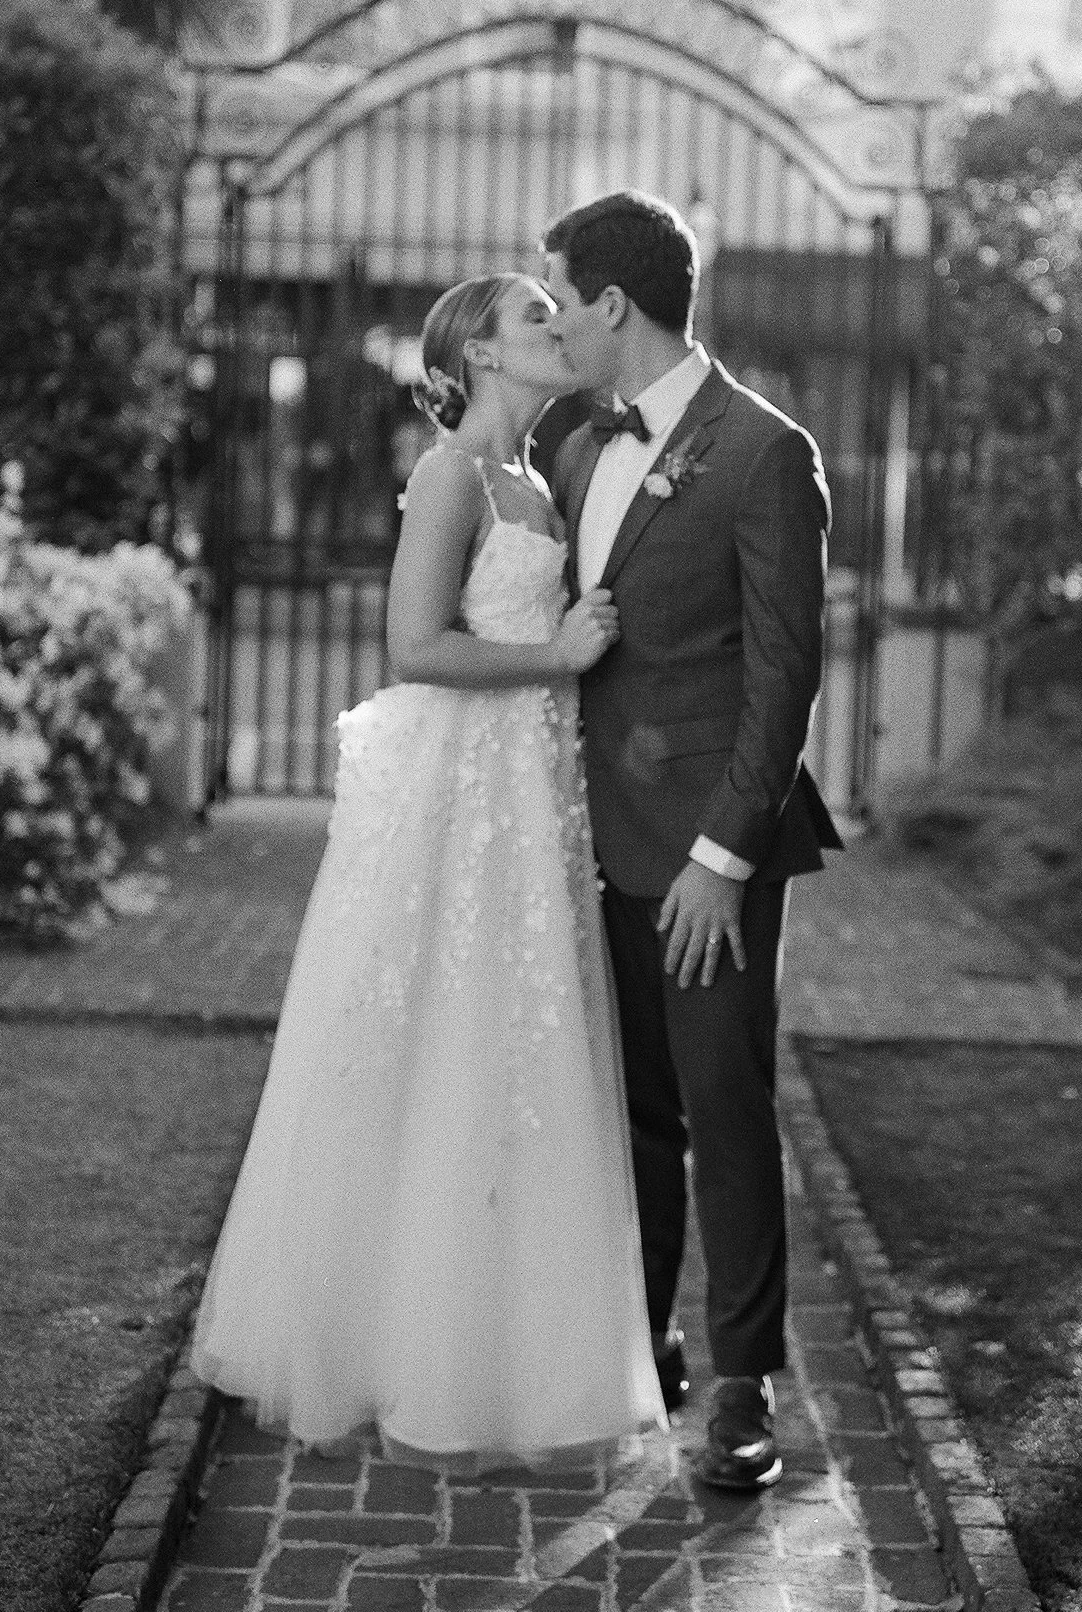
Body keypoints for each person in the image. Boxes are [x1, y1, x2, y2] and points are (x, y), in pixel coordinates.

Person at [190, 272, 666, 1466]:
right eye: (535, 323)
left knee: (514, 1050)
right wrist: (556, 655)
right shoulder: (453, 474)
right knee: (436, 1042)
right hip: (468, 791)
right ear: (481, 356)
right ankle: (391, 1342)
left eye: (559, 318)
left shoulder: (536, 481)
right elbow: (414, 645)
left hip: (533, 795)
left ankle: (505, 1341)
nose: (558, 333)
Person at [542, 190, 842, 1492]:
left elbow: (784, 675)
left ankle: (741, 1389)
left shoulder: (763, 451)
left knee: (723, 1111)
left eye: (555, 297)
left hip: (710, 860)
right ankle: (643, 1344)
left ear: (613, 306)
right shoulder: (568, 440)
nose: (546, 319)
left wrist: (723, 858)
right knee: (633, 1115)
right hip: (592, 838)